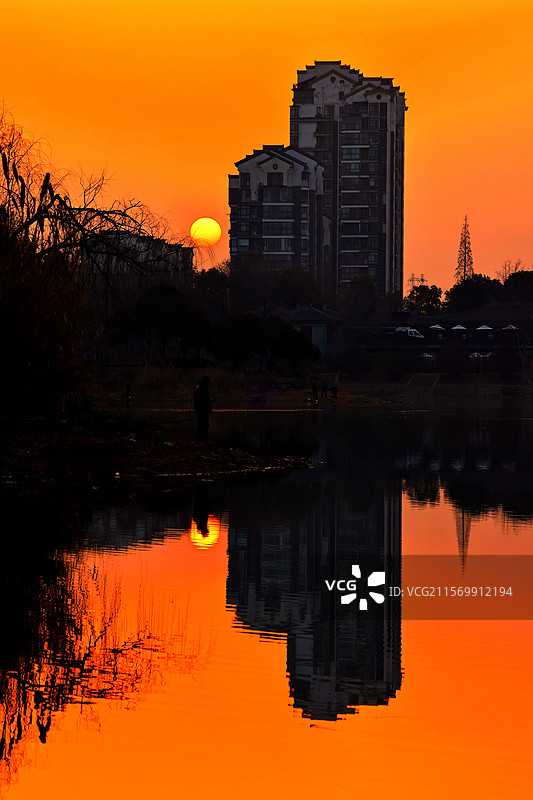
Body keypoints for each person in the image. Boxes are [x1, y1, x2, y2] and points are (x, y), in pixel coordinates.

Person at [193, 375, 212, 443]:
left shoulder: (198, 388)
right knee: (204, 424)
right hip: (202, 409)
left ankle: (200, 438)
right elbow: (205, 399)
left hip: (199, 408)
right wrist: (209, 406)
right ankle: (202, 439)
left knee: (201, 424)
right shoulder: (203, 388)